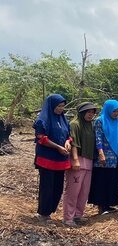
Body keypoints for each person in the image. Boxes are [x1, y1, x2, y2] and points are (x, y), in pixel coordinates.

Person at [33, 94, 72, 225]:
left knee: (57, 187)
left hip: (60, 159)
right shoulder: (42, 120)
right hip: (47, 158)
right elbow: (41, 138)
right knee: (47, 186)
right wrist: (57, 147)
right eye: (58, 106)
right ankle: (43, 213)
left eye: (62, 106)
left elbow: (68, 135)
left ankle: (50, 211)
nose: (61, 109)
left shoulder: (63, 119)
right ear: (51, 106)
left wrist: (67, 142)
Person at [62, 102, 97, 227]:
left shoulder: (90, 125)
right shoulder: (75, 124)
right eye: (88, 112)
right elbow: (74, 143)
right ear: (82, 113)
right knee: (73, 191)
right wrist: (75, 160)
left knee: (84, 191)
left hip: (88, 161)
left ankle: (78, 215)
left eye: (92, 113)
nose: (90, 115)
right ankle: (68, 218)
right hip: (77, 160)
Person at [89, 99, 118, 215]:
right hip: (104, 157)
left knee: (112, 180)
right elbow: (98, 137)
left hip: (116, 157)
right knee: (102, 181)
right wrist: (101, 153)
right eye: (114, 111)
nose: (116, 114)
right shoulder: (100, 121)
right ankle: (101, 205)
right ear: (108, 110)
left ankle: (109, 204)